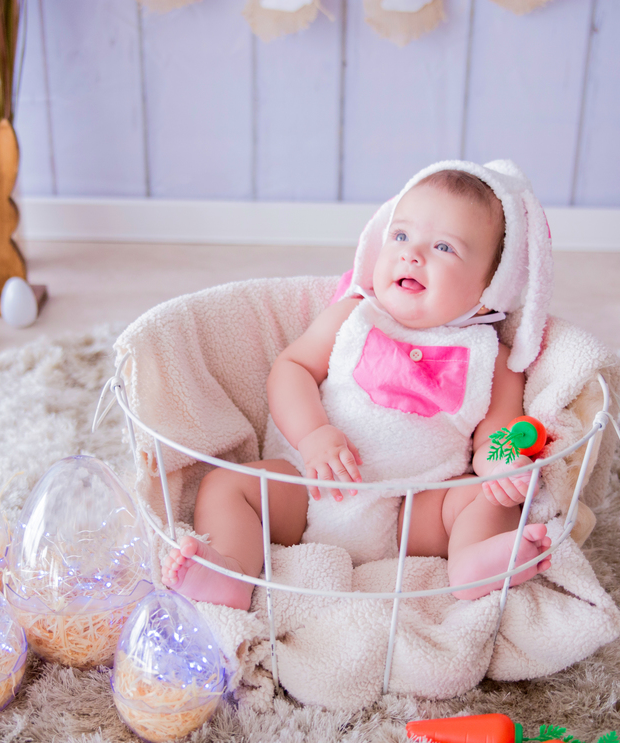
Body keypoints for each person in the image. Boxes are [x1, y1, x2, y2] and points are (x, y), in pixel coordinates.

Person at [163, 161, 555, 611]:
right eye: (401, 236)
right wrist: (312, 436)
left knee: (485, 499)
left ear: (491, 286)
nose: (412, 255)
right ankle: (231, 572)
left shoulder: (493, 359)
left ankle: (474, 564)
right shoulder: (353, 316)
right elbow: (291, 370)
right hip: (311, 488)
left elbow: (499, 431)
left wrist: (499, 466)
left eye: (444, 247)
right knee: (225, 487)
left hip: (414, 508)